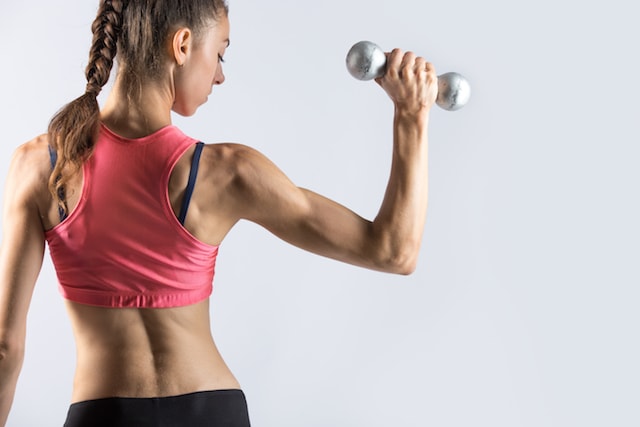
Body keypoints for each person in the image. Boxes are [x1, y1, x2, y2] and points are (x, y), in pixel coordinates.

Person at [0, 0, 437, 425]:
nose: (221, 75)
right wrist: (412, 116)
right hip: (210, 413)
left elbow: (5, 348)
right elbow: (393, 251)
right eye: (221, 53)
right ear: (183, 45)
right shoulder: (226, 174)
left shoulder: (40, 168)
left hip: (103, 413)